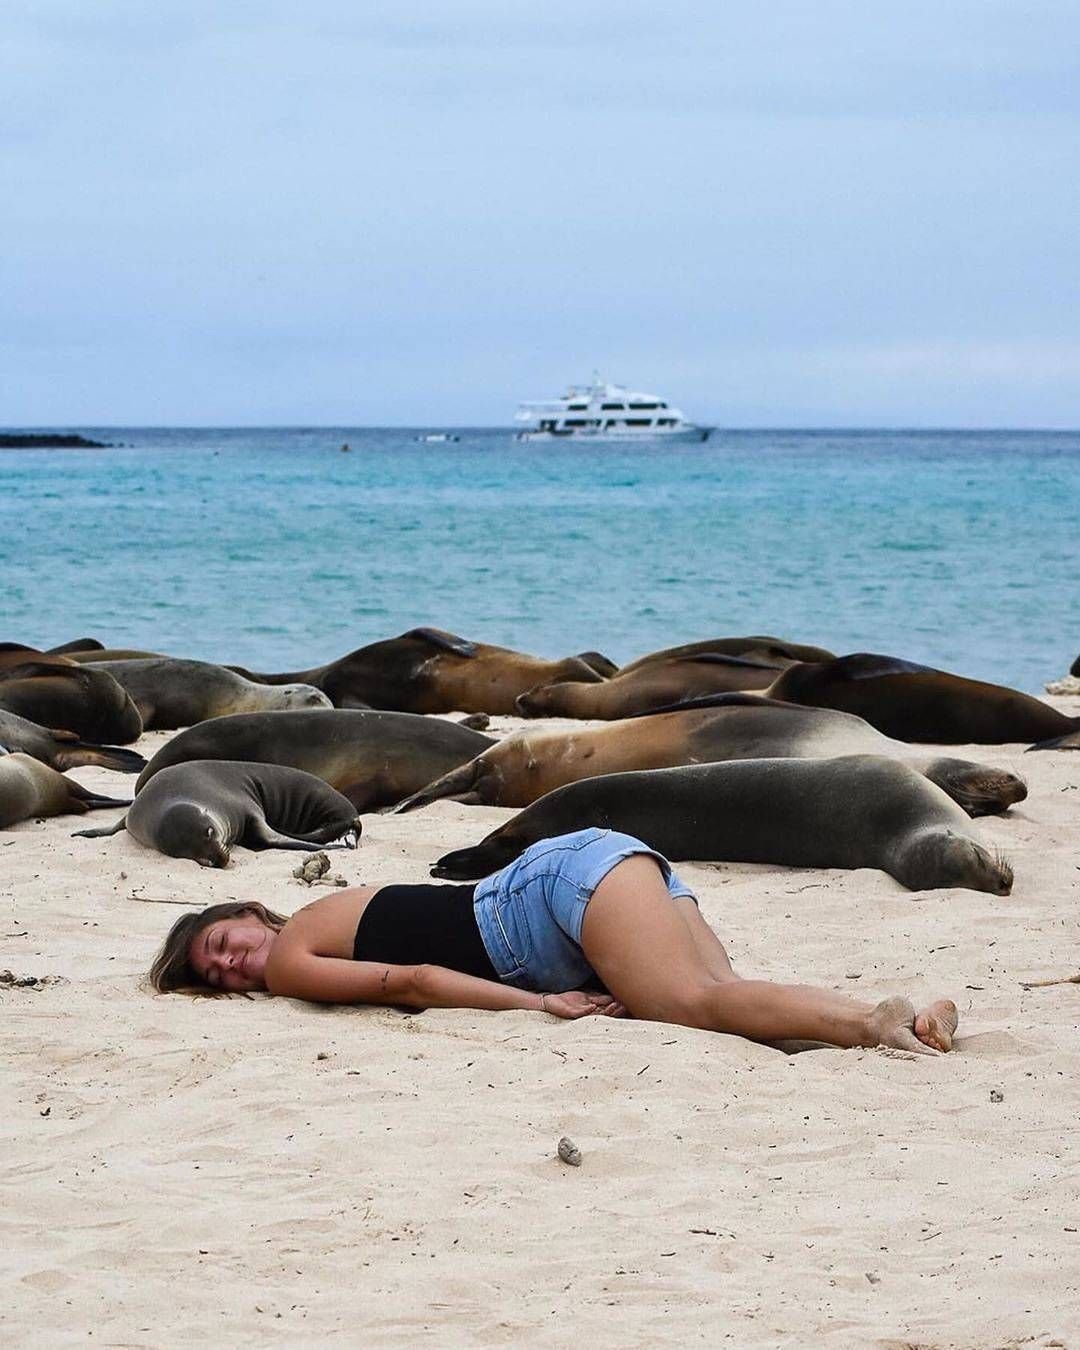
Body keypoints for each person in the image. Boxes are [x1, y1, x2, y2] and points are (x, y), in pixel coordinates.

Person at [150, 828, 957, 1055]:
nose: (229, 962)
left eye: (220, 940)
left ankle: (867, 1025)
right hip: (587, 872)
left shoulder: (296, 957)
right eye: (214, 977)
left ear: (254, 914)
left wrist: (538, 1002)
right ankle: (914, 1020)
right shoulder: (321, 930)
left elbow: (415, 981)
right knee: (726, 1014)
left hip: (549, 903)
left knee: (701, 1004)